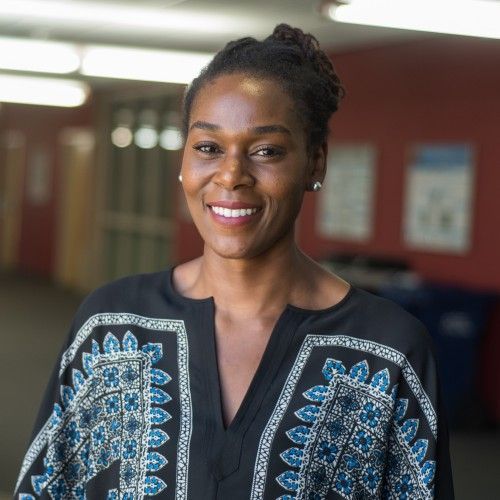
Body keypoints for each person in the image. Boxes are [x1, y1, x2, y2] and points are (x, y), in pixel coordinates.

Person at [15, 24, 454, 500]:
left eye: (266, 151)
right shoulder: (111, 327)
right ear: (184, 161)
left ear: (316, 163)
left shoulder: (386, 351)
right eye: (208, 147)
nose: (230, 175)